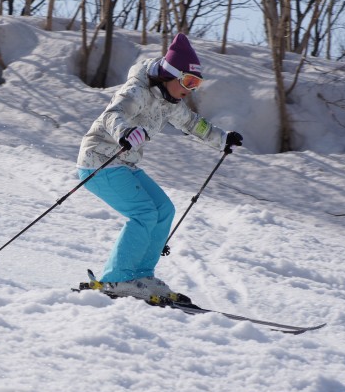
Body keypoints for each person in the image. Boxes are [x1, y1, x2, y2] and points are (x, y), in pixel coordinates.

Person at [77, 33, 243, 304]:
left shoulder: (170, 102)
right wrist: (125, 132)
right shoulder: (137, 91)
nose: (191, 89)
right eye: (188, 81)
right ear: (170, 74)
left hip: (124, 164)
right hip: (99, 161)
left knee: (164, 210)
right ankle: (117, 278)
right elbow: (111, 115)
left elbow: (192, 124)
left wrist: (222, 138)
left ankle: (141, 275)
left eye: (196, 84)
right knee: (143, 212)